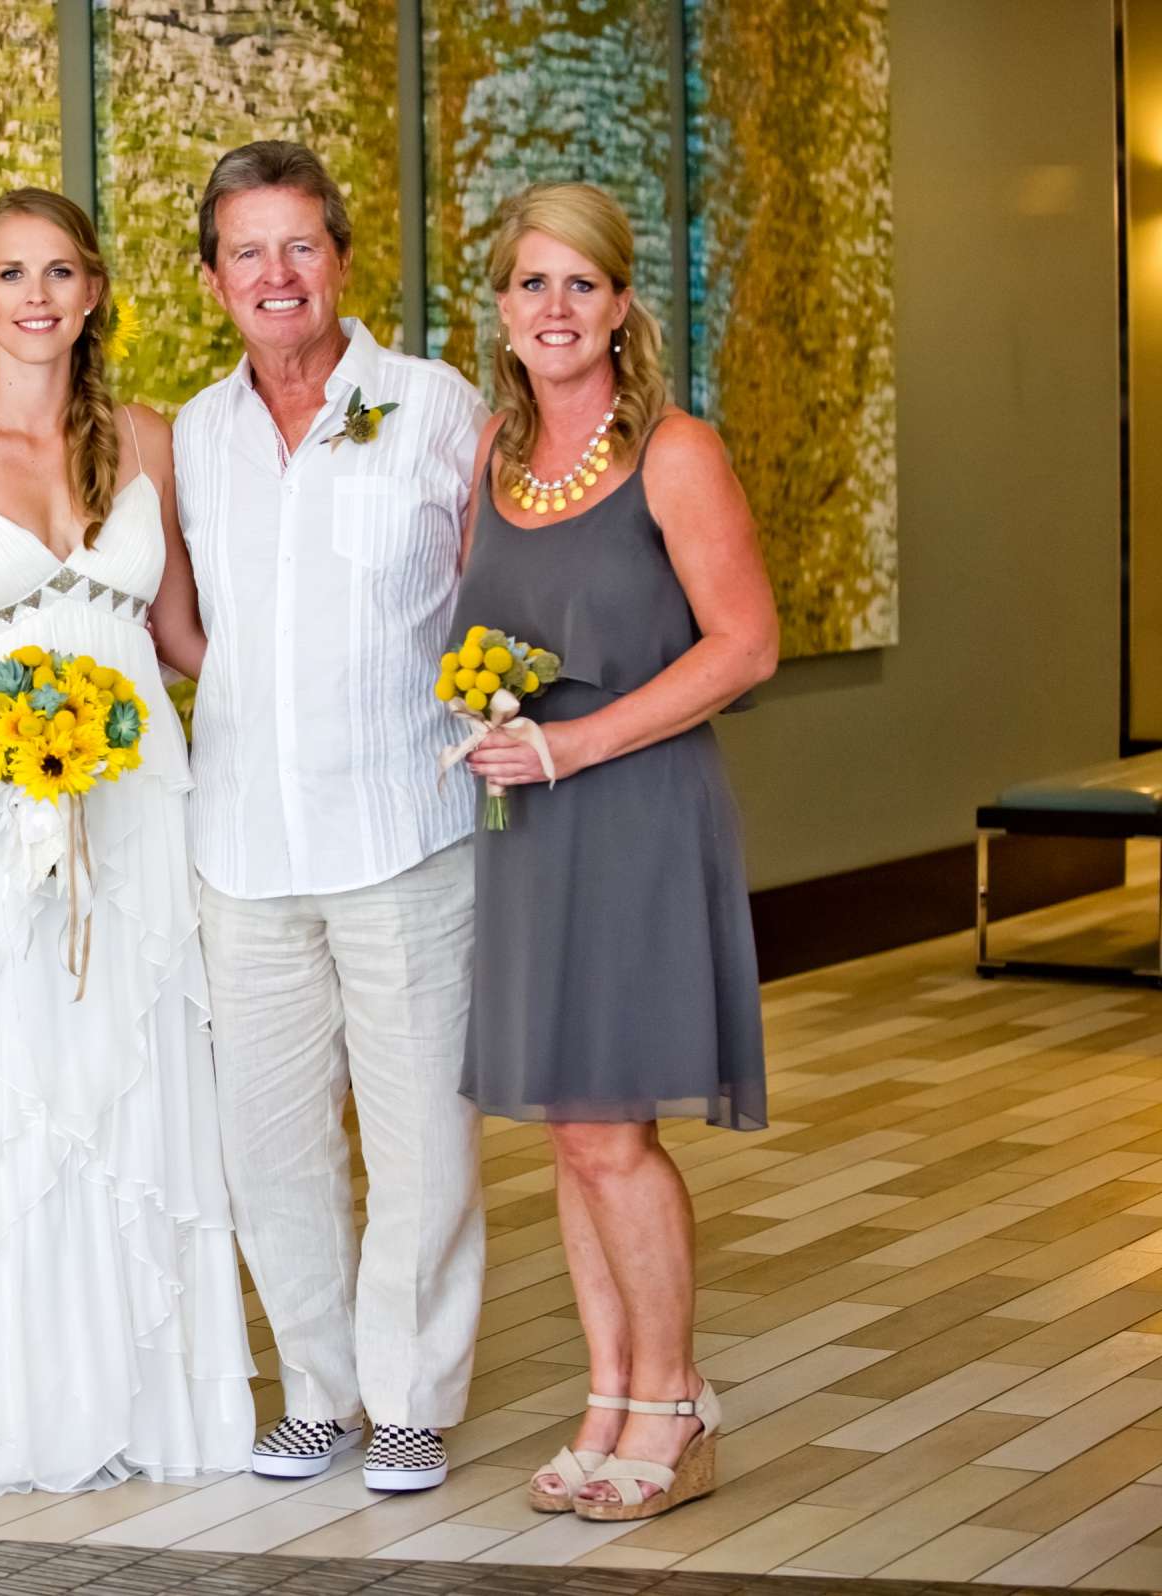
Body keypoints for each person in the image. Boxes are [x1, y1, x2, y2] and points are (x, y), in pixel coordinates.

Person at [0, 187, 253, 1498]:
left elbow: (183, 637)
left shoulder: (150, 441)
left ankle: (146, 1397)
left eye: (59, 272)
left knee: (126, 1073)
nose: (34, 295)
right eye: (11, 273)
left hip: (133, 806)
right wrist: (3, 766)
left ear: (91, 292)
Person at [456, 180, 774, 1522]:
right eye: (533, 284)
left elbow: (744, 647)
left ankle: (677, 1401)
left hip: (634, 812)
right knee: (571, 1135)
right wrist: (481, 707)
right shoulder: (493, 457)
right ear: (502, 307)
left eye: (581, 284)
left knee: (611, 1131)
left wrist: (573, 747)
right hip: (528, 825)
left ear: (623, 304)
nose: (556, 309)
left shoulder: (676, 453)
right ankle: (609, 1396)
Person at [172, 140, 487, 1490]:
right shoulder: (197, 428)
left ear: (343, 261)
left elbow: (491, 595)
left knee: (420, 1132)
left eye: (300, 245)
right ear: (212, 277)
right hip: (241, 846)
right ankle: (319, 1388)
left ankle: (412, 1395)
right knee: (266, 1139)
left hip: (402, 828)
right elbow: (187, 621)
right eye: (249, 251)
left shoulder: (431, 404)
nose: (277, 274)